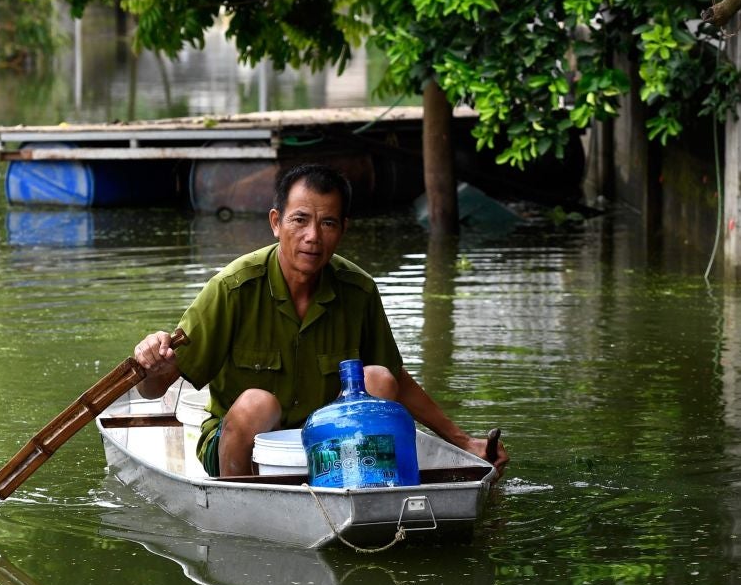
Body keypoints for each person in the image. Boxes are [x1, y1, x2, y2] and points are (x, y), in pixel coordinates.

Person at [132, 163, 510, 478]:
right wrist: (152, 364)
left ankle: (363, 493)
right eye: (300, 220)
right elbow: (152, 391)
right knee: (256, 403)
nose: (313, 236)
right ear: (276, 222)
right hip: (243, 449)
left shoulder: (358, 290)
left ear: (342, 229)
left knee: (377, 380)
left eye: (327, 223)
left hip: (329, 446)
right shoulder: (232, 288)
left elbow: (398, 380)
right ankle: (243, 503)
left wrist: (463, 442)